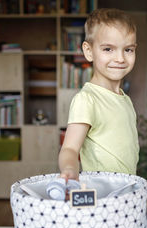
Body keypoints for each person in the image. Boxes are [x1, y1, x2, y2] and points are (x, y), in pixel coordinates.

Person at [59, 8, 139, 182]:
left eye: (128, 50)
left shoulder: (125, 100)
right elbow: (70, 149)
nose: (120, 58)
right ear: (89, 51)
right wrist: (70, 169)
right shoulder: (87, 99)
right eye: (108, 49)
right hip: (102, 193)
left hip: (126, 189)